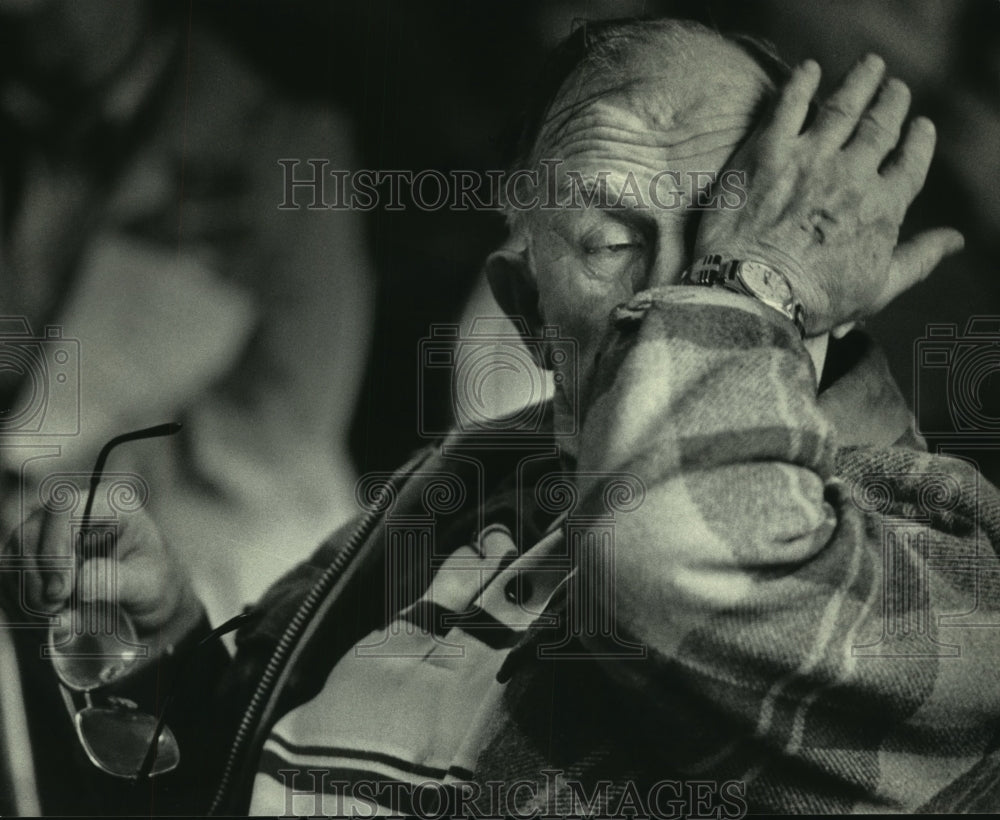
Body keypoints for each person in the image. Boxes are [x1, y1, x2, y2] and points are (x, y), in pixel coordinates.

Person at [5, 16, 1000, 816]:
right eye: (612, 239)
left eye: (732, 232)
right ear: (527, 314)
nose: (675, 297)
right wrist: (158, 651)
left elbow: (669, 555)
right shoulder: (461, 490)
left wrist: (754, 279)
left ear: (811, 277)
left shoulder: (933, 555)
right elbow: (220, 769)